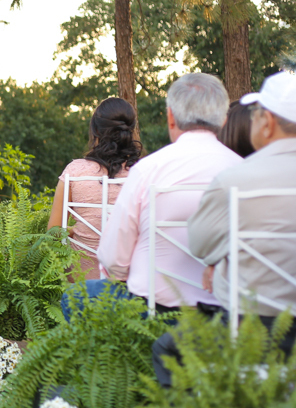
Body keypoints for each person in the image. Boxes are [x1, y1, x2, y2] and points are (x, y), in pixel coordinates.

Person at [146, 72, 296, 387]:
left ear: (266, 122)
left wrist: (223, 258)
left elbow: (200, 246)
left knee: (167, 350)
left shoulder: (235, 180)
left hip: (247, 330)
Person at [64, 73, 241, 318]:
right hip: (225, 310)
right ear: (223, 119)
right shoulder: (243, 171)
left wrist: (127, 276)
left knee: (73, 298)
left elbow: (114, 258)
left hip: (151, 306)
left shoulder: (148, 170)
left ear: (170, 117)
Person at [47, 97, 142, 280]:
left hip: (81, 281)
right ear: (130, 130)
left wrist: (75, 230)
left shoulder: (74, 172)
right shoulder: (144, 172)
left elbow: (53, 233)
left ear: (95, 130)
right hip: (131, 281)